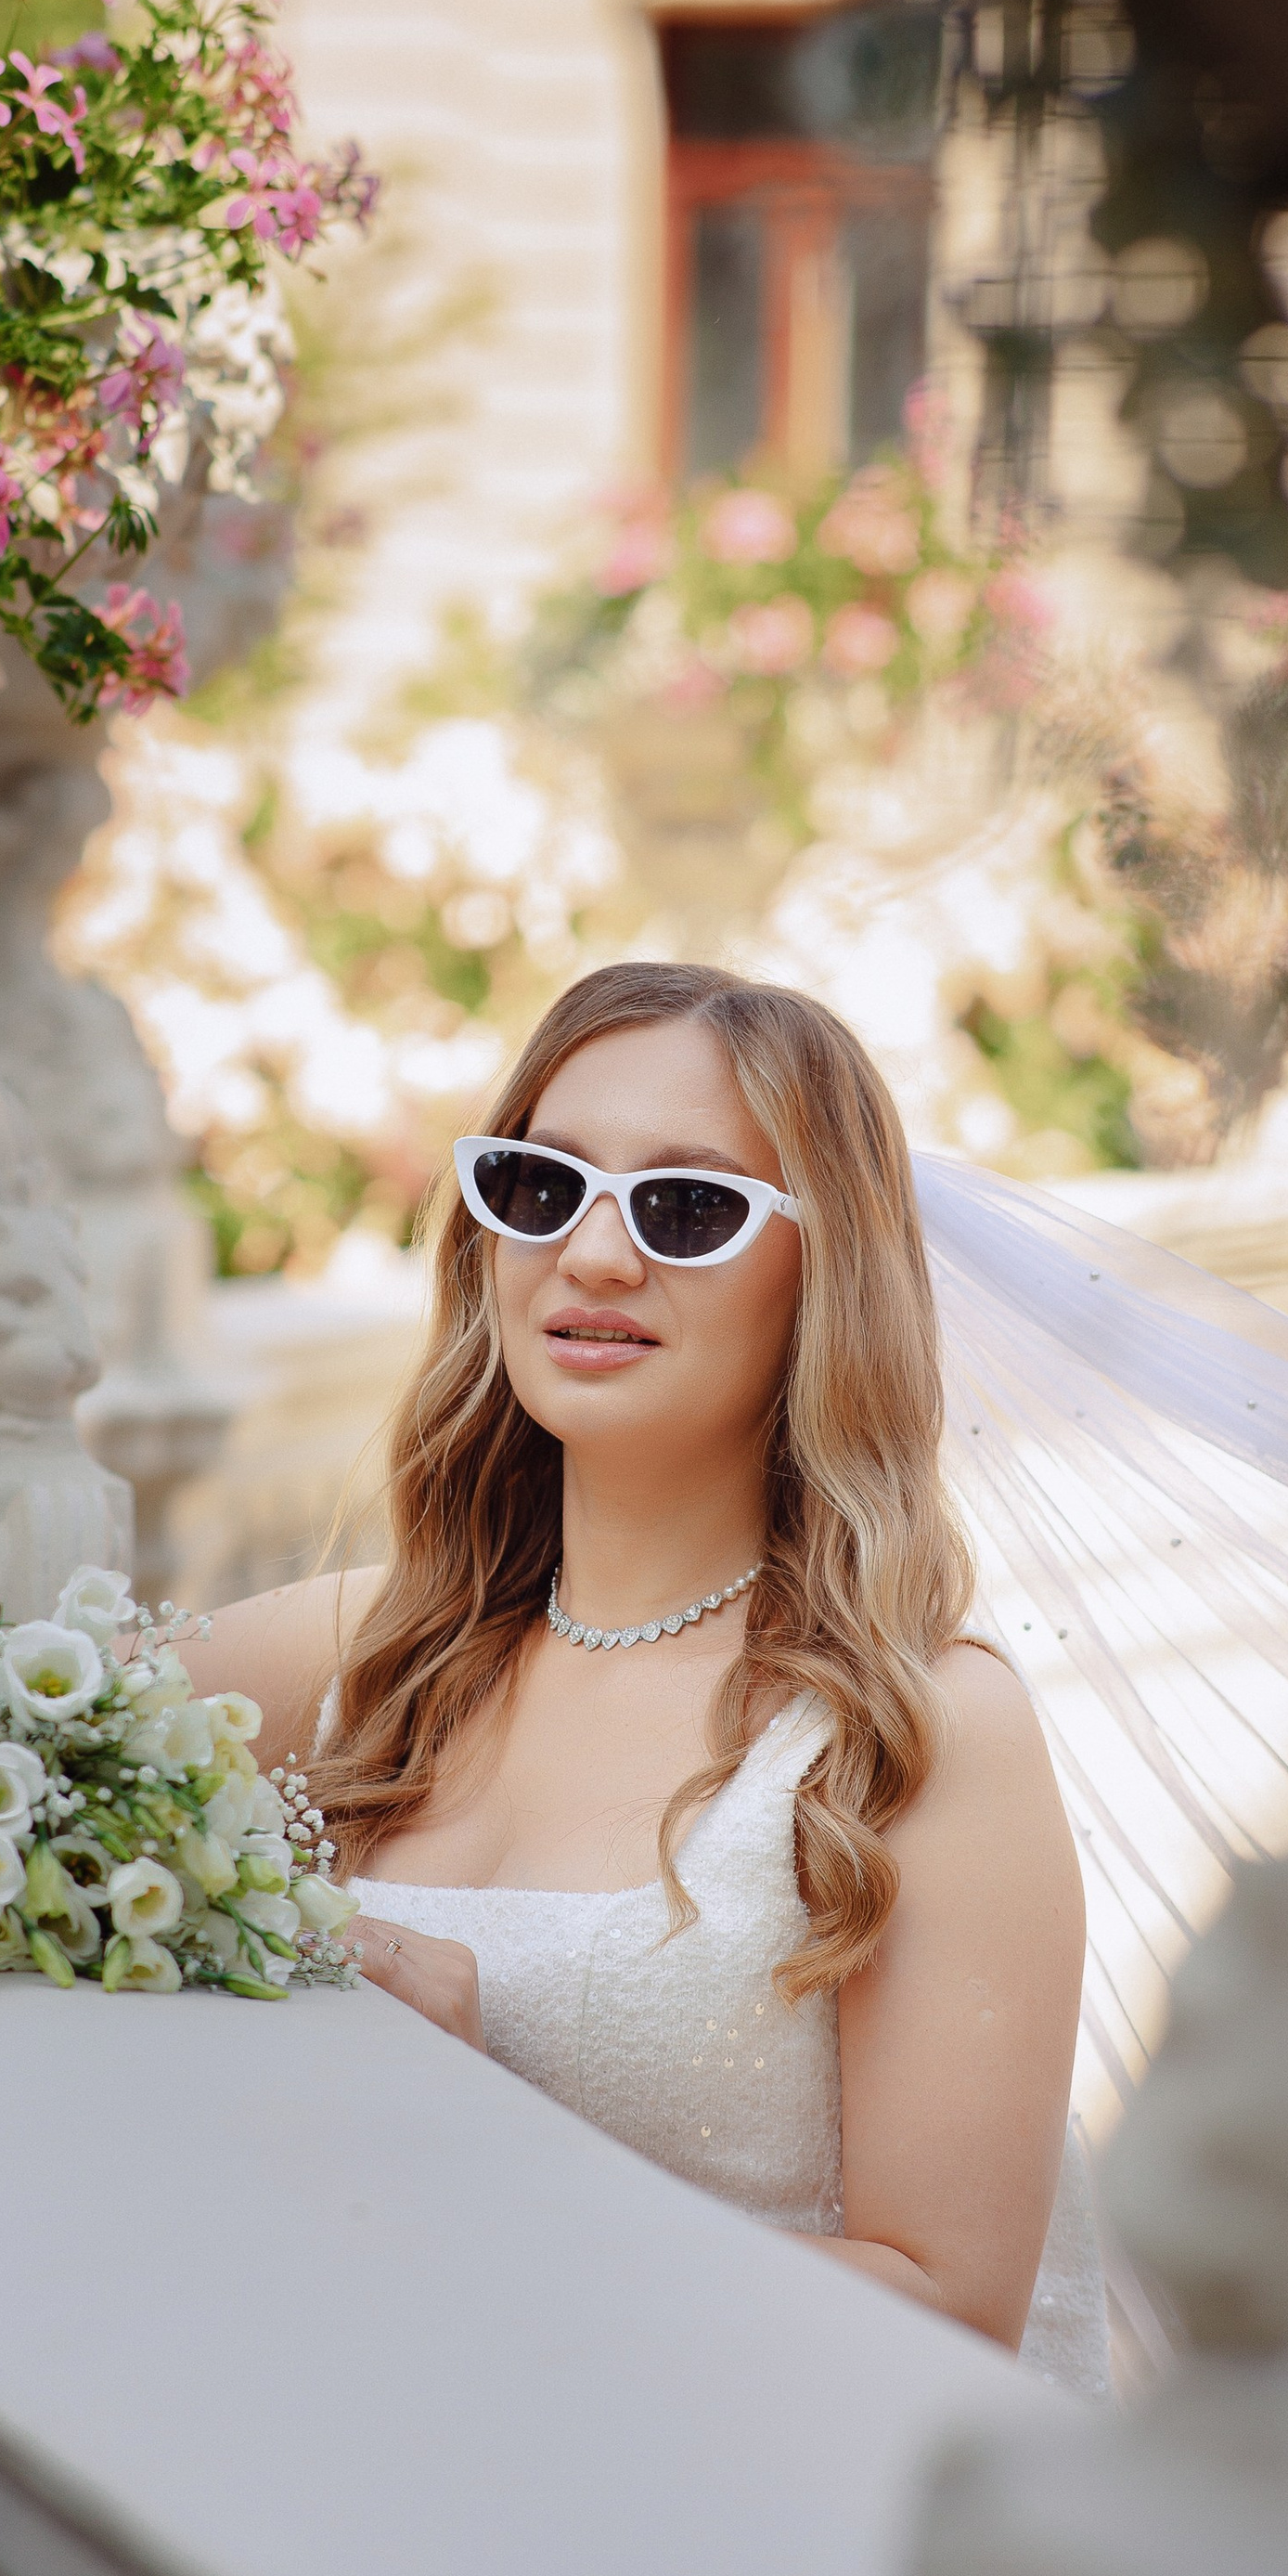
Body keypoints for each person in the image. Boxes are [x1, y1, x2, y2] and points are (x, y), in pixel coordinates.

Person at [179, 962, 1105, 2384]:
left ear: (827, 1267)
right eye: (541, 1188)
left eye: (687, 1208)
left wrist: (481, 2141)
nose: (595, 1256)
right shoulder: (371, 1648)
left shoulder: (910, 1726)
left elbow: (949, 2307)